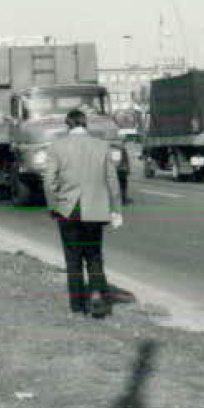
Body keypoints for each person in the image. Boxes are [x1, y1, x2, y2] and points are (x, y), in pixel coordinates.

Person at [43, 107, 134, 319]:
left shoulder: (57, 146)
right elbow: (113, 181)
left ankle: (77, 308)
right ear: (85, 124)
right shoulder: (101, 146)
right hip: (95, 208)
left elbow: (48, 181)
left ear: (68, 125)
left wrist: (53, 205)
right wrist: (116, 210)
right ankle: (97, 295)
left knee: (73, 259)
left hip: (68, 208)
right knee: (94, 256)